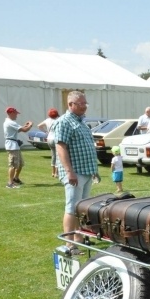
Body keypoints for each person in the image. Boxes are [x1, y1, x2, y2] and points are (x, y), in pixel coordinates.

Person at [53, 91, 99, 255]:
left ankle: (79, 240)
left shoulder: (81, 122)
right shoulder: (64, 122)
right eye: (81, 104)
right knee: (72, 207)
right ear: (70, 104)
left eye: (85, 103)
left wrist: (94, 170)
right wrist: (69, 171)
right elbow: (61, 147)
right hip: (75, 172)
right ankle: (69, 244)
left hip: (86, 171)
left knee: (82, 209)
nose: (84, 106)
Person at [3, 107, 32, 188]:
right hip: (12, 146)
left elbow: (19, 129)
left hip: (14, 145)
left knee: (20, 164)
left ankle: (15, 178)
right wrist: (30, 125)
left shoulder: (10, 122)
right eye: (15, 113)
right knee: (12, 165)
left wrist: (25, 126)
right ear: (11, 113)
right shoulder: (10, 122)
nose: (17, 115)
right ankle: (10, 183)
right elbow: (24, 130)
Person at [39, 108, 60, 178]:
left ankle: (53, 172)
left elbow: (39, 126)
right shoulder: (58, 120)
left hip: (49, 138)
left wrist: (46, 132)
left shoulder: (47, 120)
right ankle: (57, 173)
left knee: (53, 155)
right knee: (58, 156)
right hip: (56, 138)